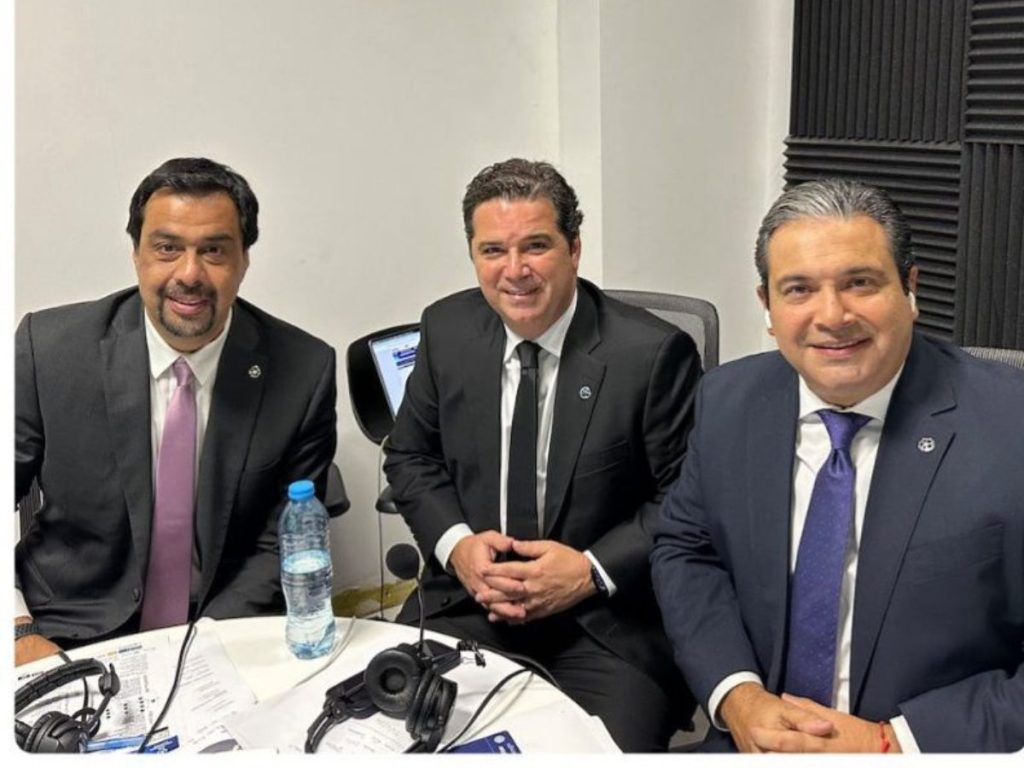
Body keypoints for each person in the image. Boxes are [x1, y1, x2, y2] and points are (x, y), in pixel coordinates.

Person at [651, 178, 1024, 753]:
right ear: (768, 307)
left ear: (911, 287)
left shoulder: (1010, 424)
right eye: (798, 289)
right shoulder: (728, 401)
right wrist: (737, 696)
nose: (832, 315)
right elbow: (685, 549)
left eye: (860, 283)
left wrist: (892, 742)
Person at [382, 158, 702, 752]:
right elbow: (409, 457)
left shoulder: (652, 355)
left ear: (574, 248)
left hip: (606, 623)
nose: (515, 272)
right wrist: (458, 548)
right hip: (470, 602)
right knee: (388, 737)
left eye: (536, 246)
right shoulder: (446, 329)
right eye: (492, 251)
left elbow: (687, 499)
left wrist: (589, 571)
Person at [15, 157, 338, 666]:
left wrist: (200, 646)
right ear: (137, 255)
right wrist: (17, 629)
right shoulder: (50, 351)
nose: (189, 274)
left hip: (221, 630)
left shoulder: (303, 369)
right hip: (66, 629)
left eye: (213, 250)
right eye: (167, 248)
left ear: (244, 260)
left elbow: (281, 539)